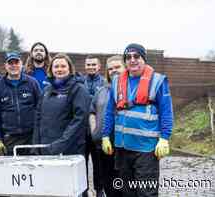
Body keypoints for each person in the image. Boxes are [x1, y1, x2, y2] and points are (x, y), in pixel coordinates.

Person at [102, 43, 173, 197]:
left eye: (136, 56)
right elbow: (109, 111)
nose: (132, 60)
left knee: (146, 192)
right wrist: (105, 135)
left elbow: (166, 112)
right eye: (128, 57)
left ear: (144, 59)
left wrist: (165, 138)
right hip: (122, 147)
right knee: (127, 192)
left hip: (146, 149)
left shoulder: (158, 81)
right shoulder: (116, 82)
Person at [33, 53, 90, 195]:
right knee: (51, 189)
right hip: (46, 149)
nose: (59, 69)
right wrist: (36, 145)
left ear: (70, 68)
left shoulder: (78, 89)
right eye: (56, 66)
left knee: (72, 189)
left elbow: (79, 120)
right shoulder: (46, 90)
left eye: (63, 66)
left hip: (70, 150)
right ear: (51, 69)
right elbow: (38, 118)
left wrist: (61, 144)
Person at [0, 52, 41, 156]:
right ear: (5, 66)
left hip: (31, 137)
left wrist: (40, 134)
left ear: (21, 64)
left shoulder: (32, 83)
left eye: (16, 62)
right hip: (9, 138)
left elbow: (41, 109)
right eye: (10, 63)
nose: (14, 66)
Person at [89, 55, 125, 197]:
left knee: (124, 186)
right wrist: (94, 130)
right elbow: (92, 111)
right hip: (103, 146)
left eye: (117, 67)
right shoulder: (101, 91)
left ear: (125, 67)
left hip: (124, 147)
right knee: (109, 185)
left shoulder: (131, 89)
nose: (113, 71)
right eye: (110, 69)